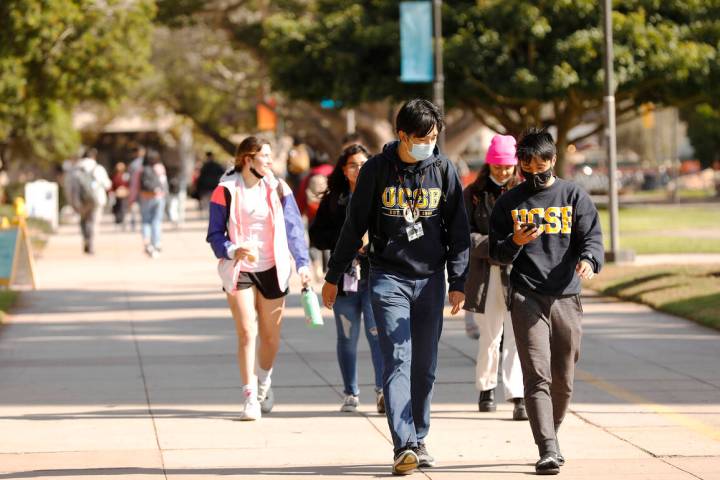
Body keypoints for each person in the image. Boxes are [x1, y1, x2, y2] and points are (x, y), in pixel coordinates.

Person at [321, 99, 470, 475]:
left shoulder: (444, 169)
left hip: (431, 279)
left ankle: (419, 437)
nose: (428, 143)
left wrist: (459, 280)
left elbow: (459, 230)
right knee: (398, 358)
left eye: (434, 137)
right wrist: (333, 276)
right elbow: (353, 226)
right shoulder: (376, 171)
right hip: (388, 277)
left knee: (425, 365)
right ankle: (403, 444)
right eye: (422, 137)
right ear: (402, 135)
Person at [489, 129, 604, 475]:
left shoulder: (573, 195)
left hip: (567, 294)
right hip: (526, 295)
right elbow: (495, 252)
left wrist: (589, 260)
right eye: (526, 165)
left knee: (563, 377)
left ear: (554, 160)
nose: (533, 171)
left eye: (540, 164)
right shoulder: (509, 203)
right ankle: (548, 448)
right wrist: (515, 242)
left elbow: (592, 237)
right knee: (536, 373)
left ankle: (551, 431)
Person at [206, 136, 311, 421]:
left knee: (271, 337)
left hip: (273, 268)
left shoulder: (278, 188)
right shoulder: (225, 190)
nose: (269, 161)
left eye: (269, 156)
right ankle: (249, 396)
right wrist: (232, 249)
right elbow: (214, 234)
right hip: (239, 268)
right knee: (246, 332)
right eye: (264, 156)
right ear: (247, 160)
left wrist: (302, 263)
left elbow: (293, 229)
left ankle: (264, 381)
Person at [309, 144, 385, 414]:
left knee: (378, 335)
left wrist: (370, 245)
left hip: (374, 276)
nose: (358, 169)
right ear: (344, 169)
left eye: (364, 164)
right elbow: (317, 236)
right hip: (344, 280)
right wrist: (347, 242)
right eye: (353, 165)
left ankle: (382, 392)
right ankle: (350, 392)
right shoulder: (334, 199)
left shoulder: (381, 194)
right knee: (347, 337)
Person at [462, 135, 527, 421]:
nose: (503, 173)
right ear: (489, 164)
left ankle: (517, 394)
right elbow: (464, 235)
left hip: (519, 273)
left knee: (517, 336)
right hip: (486, 272)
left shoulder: (525, 191)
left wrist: (515, 245)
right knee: (489, 336)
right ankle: (486, 388)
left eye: (508, 167)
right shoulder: (474, 193)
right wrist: (496, 246)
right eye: (497, 167)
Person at [67, 148, 111, 254]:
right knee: (93, 221)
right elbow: (107, 184)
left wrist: (72, 202)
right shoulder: (98, 168)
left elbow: (70, 187)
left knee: (84, 221)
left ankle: (85, 238)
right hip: (96, 200)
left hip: (80, 200)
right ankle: (91, 243)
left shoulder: (75, 170)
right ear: (94, 157)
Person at [129, 149, 168, 258]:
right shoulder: (160, 168)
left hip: (144, 197)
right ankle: (157, 243)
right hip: (158, 196)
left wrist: (132, 200)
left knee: (146, 220)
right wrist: (165, 196)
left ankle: (147, 243)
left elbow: (135, 186)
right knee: (156, 220)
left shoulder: (140, 170)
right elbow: (164, 184)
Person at [196, 151, 225, 215]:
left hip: (206, 188)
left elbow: (200, 177)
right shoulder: (217, 165)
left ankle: (208, 215)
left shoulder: (204, 166)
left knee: (207, 204)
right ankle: (210, 215)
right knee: (212, 203)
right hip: (214, 187)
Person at [127, 146, 146, 231]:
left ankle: (134, 223)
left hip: (134, 188)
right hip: (143, 188)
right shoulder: (146, 163)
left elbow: (129, 177)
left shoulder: (133, 164)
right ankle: (143, 223)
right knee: (143, 207)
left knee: (134, 207)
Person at [110, 162, 130, 229]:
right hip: (117, 195)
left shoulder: (126, 176)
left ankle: (122, 221)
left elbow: (128, 184)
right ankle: (118, 221)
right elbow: (112, 186)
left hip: (124, 194)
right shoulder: (115, 176)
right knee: (117, 208)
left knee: (123, 208)